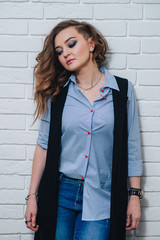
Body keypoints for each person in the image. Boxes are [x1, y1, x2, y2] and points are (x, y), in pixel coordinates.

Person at [24, 19, 143, 240]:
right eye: (59, 51)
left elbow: (132, 146)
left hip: (101, 195)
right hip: (60, 193)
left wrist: (134, 196)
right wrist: (32, 196)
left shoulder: (122, 91)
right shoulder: (57, 95)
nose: (65, 54)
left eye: (71, 44)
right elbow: (43, 146)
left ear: (91, 44)